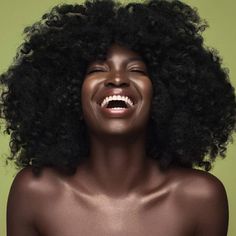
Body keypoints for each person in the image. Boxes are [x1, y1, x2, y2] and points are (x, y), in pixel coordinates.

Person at [1, 0, 235, 235]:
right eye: (97, 69)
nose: (117, 78)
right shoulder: (35, 192)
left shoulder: (200, 198)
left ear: (162, 95)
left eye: (136, 70)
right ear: (68, 94)